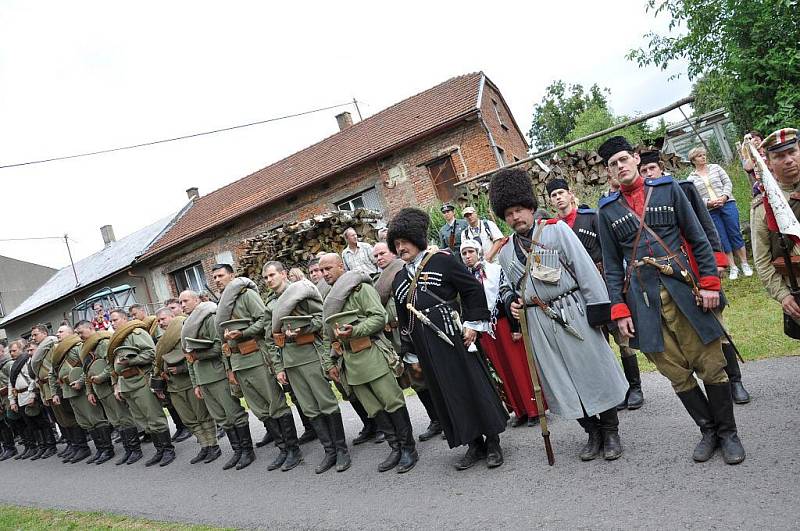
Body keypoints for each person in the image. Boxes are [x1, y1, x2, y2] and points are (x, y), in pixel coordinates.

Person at [597, 135, 745, 465]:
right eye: (612, 164)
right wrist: (619, 309)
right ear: (608, 172)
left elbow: (698, 237)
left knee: (710, 361)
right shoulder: (606, 211)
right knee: (674, 371)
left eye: (624, 159)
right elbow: (610, 266)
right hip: (643, 301)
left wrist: (709, 284)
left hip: (683, 289)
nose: (620, 167)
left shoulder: (667, 190)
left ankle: (728, 433)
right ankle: (708, 431)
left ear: (636, 158)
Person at [489, 170, 628, 461]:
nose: (515, 217)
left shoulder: (556, 230)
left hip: (572, 311)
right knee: (560, 380)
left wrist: (599, 315)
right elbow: (509, 288)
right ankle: (592, 432)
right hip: (539, 323)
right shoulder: (505, 252)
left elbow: (586, 271)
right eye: (509, 213)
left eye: (519, 210)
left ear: (530, 207)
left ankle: (611, 431)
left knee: (594, 371)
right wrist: (513, 304)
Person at [388, 209, 508, 470]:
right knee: (448, 394)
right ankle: (473, 443)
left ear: (416, 238)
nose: (400, 248)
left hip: (454, 337)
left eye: (403, 242)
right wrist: (411, 354)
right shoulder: (399, 278)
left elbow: (472, 289)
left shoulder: (442, 261)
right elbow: (403, 319)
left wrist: (473, 325)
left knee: (472, 387)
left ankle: (493, 442)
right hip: (426, 346)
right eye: (395, 245)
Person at [640, 150, 751, 404]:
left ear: (661, 169)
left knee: (717, 328)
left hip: (698, 267)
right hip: (674, 276)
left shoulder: (685, 189)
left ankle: (735, 381)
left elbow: (704, 226)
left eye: (652, 169)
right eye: (643, 171)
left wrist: (717, 262)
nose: (648, 175)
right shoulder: (642, 202)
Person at [548, 178, 645, 410]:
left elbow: (610, 252)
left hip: (603, 285)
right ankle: (615, 390)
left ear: (571, 194)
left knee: (623, 341)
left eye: (562, 192)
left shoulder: (592, 217)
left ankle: (635, 388)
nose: (559, 198)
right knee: (599, 344)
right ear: (550, 201)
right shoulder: (551, 230)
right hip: (577, 294)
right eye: (554, 195)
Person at [319, 252, 417, 473]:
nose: (324, 274)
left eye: (328, 269)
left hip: (372, 354)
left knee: (392, 402)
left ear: (341, 267)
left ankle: (408, 448)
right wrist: (329, 363)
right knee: (373, 408)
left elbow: (379, 317)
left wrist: (356, 330)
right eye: (321, 270)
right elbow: (326, 335)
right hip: (350, 362)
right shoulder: (329, 300)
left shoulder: (359, 289)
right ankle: (395, 447)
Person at [265, 261, 351, 473]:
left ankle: (341, 450)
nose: (269, 280)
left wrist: (303, 329)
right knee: (309, 408)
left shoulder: (300, 292)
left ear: (283, 274)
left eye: (272, 275)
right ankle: (329, 451)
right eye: (265, 277)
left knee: (326, 403)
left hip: (310, 354)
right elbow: (270, 339)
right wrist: (279, 367)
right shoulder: (269, 304)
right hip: (290, 361)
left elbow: (321, 319)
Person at [213, 263, 289, 471]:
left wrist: (243, 333)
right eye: (215, 277)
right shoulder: (222, 305)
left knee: (275, 403)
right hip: (238, 361)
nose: (217, 280)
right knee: (260, 409)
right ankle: (282, 448)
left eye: (221, 275)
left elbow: (264, 322)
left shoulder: (246, 295)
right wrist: (229, 367)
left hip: (255, 356)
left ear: (232, 275)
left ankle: (291, 450)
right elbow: (223, 342)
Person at [459, 239, 543, 427]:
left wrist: (516, 327)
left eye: (470, 252)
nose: (467, 256)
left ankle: (533, 409)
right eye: (464, 254)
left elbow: (509, 295)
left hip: (504, 324)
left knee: (518, 367)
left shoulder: (495, 270)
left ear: (479, 252)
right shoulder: (464, 278)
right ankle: (519, 410)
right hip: (486, 330)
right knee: (502, 371)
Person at [373, 242, 442, 442]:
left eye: (382, 253)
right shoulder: (377, 281)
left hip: (413, 330)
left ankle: (447, 418)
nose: (379, 258)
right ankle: (435, 419)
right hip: (394, 338)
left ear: (392, 254)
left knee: (434, 376)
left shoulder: (406, 272)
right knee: (417, 381)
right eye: (375, 256)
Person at [180, 290, 249, 469]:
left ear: (196, 300)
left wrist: (198, 355)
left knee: (234, 413)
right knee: (221, 418)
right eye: (180, 302)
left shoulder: (209, 317)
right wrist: (196, 383)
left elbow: (220, 346)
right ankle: (237, 451)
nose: (182, 305)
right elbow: (189, 358)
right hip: (203, 378)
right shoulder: (187, 324)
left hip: (218, 374)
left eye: (186, 301)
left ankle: (247, 451)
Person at [108, 309, 176, 467]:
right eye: (111, 321)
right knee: (142, 419)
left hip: (140, 380)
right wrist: (117, 383)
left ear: (124, 319)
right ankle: (159, 450)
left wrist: (130, 362)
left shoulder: (136, 333)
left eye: (115, 319)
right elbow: (112, 364)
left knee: (154, 416)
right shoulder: (115, 339)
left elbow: (151, 353)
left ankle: (167, 450)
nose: (112, 323)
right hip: (126, 383)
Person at [152, 308, 217, 464]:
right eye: (158, 320)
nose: (161, 322)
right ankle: (204, 446)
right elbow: (159, 362)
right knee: (189, 420)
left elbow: (194, 356)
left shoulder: (185, 331)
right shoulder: (162, 341)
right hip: (173, 386)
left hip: (188, 382)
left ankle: (213, 445)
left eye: (163, 319)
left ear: (173, 317)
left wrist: (181, 369)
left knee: (203, 416)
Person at [751, 128, 800, 335]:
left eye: (793, 152)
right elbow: (762, 260)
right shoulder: (764, 206)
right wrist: (784, 296)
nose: (788, 160)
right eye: (779, 156)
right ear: (768, 163)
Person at [75, 320, 143, 465]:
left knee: (124, 418)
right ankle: (128, 450)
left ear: (91, 328)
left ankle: (135, 449)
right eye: (77, 333)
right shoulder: (86, 348)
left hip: (110, 387)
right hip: (99, 390)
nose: (79, 335)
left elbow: (112, 364)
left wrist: (102, 377)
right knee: (115, 420)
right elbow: (86, 371)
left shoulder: (103, 343)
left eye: (81, 332)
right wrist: (89, 391)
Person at [50, 324, 113, 464]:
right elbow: (52, 373)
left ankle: (107, 449)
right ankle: (99, 449)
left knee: (95, 419)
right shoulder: (59, 351)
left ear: (71, 334)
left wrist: (81, 382)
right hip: (68, 390)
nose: (57, 334)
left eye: (61, 331)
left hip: (82, 389)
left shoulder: (78, 347)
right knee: (85, 421)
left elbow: (87, 367)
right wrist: (55, 392)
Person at [686, 146, 752, 280]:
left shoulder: (716, 167)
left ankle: (745, 263)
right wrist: (708, 203)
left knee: (735, 232)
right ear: (693, 160)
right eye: (700, 156)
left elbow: (727, 182)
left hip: (727, 204)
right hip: (710, 210)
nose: (703, 157)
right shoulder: (690, 178)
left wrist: (724, 197)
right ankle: (733, 266)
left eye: (704, 155)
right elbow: (695, 197)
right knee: (721, 237)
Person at [30, 324, 85, 462]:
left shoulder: (53, 346)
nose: (33, 337)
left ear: (44, 333)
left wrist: (56, 389)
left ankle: (81, 446)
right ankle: (73, 445)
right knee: (60, 419)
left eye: (36, 334)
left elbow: (55, 369)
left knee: (68, 416)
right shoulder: (41, 350)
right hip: (47, 387)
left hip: (56, 385)